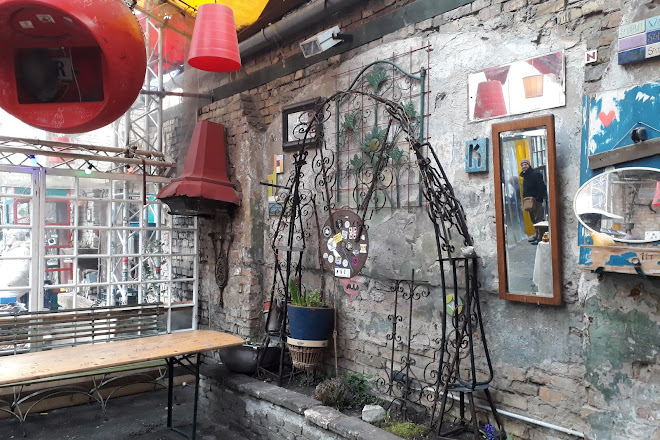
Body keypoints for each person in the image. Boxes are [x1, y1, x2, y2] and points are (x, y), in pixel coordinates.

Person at [520, 158, 547, 245]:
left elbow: (541, 186)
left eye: (525, 164)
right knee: (533, 220)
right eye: (522, 165)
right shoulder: (525, 175)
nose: (524, 166)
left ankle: (540, 237)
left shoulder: (536, 174)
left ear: (529, 165)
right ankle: (536, 235)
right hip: (528, 201)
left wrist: (539, 198)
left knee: (539, 219)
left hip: (536, 200)